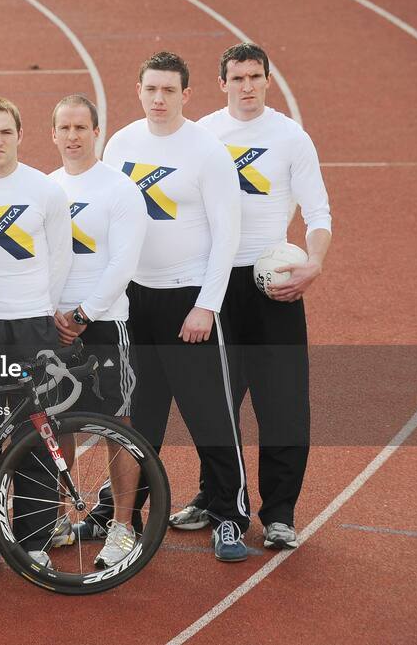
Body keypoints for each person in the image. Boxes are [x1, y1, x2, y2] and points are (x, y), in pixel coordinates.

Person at [174, 42, 332, 550]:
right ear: (222, 84)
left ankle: (280, 512)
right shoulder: (201, 134)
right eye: (237, 78)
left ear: (268, 80)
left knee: (282, 403)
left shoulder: (291, 138)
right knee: (213, 404)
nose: (247, 86)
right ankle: (214, 498)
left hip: (274, 286)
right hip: (216, 286)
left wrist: (313, 265)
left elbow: (319, 214)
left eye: (255, 77)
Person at [102, 51, 250, 562]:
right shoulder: (120, 143)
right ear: (139, 91)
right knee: (138, 417)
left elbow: (228, 237)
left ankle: (229, 517)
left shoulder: (207, 151)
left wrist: (207, 305)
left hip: (189, 301)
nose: (159, 99)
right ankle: (125, 516)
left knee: (210, 415)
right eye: (151, 90)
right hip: (133, 301)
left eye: (169, 90)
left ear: (187, 94)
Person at [0, 96, 72, 575]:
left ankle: (34, 537)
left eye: (5, 132)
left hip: (32, 327)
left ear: (20, 134)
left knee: (37, 433)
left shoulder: (45, 191)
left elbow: (60, 259)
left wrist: (38, 312)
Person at [47, 95, 147, 568]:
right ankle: (61, 517)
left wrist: (83, 314)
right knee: (56, 425)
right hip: (54, 329)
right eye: (64, 128)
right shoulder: (45, 188)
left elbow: (123, 263)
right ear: (53, 134)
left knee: (117, 427)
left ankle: (122, 527)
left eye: (81, 127)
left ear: (96, 131)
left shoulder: (119, 189)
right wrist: (51, 313)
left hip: (104, 326)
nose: (72, 136)